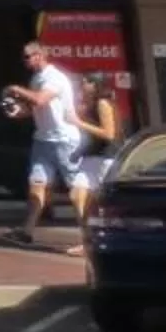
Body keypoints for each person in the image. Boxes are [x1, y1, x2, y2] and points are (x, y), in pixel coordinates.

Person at [0, 41, 82, 249]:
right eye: (24, 57)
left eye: (28, 56)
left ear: (40, 55)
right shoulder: (36, 78)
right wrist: (16, 112)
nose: (25, 60)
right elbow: (33, 109)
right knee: (37, 184)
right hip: (43, 139)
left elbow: (40, 100)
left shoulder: (54, 77)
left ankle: (88, 236)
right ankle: (27, 231)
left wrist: (15, 89)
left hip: (64, 139)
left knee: (77, 189)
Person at [72, 72, 125, 231]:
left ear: (96, 85)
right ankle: (87, 238)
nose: (82, 84)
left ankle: (113, 233)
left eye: (87, 81)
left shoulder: (103, 103)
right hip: (91, 157)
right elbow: (91, 135)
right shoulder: (90, 104)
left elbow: (108, 134)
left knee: (106, 200)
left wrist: (79, 122)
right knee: (77, 196)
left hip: (106, 157)